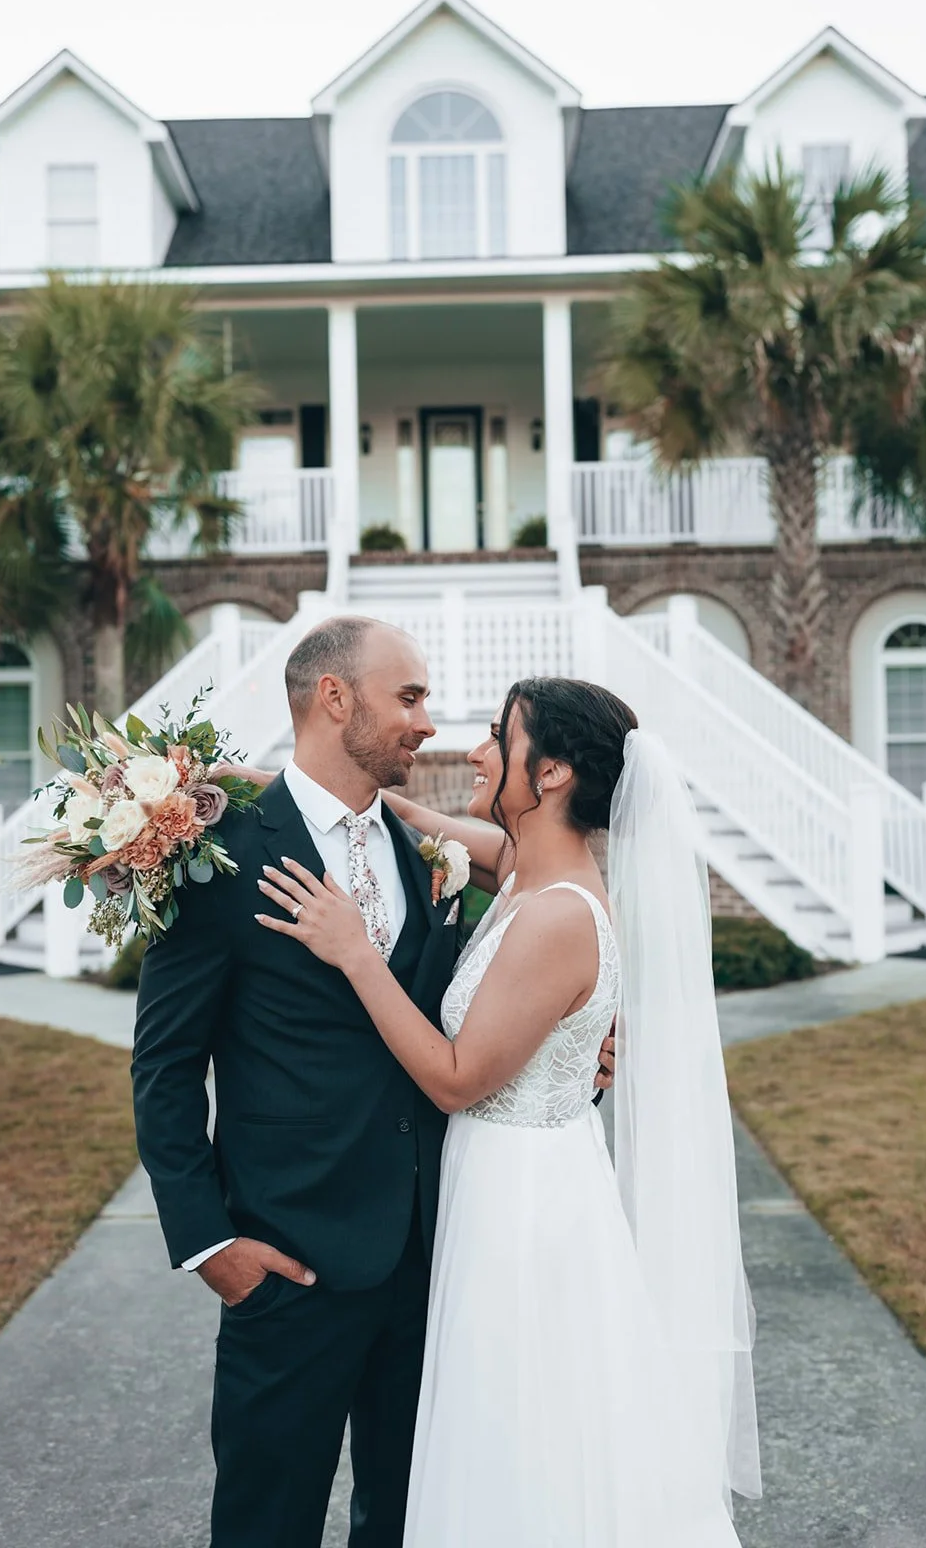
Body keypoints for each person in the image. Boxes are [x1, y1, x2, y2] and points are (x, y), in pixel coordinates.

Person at [131, 618, 618, 1548]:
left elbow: (472, 1026)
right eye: (411, 698)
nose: (429, 723)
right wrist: (211, 1247)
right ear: (335, 698)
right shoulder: (223, 857)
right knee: (265, 1525)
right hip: (290, 1268)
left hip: (437, 1261)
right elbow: (162, 1068)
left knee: (410, 1521)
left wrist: (576, 1046)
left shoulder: (423, 853)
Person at [257, 675, 761, 1547]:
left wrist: (353, 952)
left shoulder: (557, 916)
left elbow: (456, 1079)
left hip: (523, 1209)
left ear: (554, 771)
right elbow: (460, 838)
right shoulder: (532, 869)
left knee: (524, 1432)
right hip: (511, 1179)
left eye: (501, 736)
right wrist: (303, 795)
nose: (478, 749)